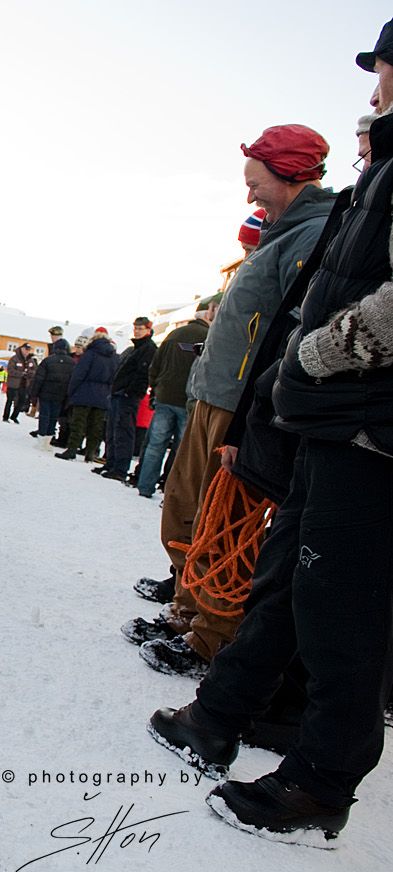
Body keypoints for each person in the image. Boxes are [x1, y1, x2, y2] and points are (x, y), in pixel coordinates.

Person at [147, 23, 393, 842]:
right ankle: (218, 714)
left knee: (342, 609)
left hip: (370, 423)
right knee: (289, 576)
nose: (370, 90)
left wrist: (314, 354)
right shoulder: (379, 170)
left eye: (381, 70)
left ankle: (321, 780)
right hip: (328, 417)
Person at [139, 124, 336, 677]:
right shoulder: (278, 232)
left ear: (291, 174)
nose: (249, 195)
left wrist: (257, 415)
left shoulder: (309, 235)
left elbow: (292, 331)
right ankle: (186, 611)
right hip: (213, 395)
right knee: (188, 507)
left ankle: (212, 637)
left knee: (226, 522)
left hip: (240, 405)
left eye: (256, 183)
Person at [135, 297, 216, 497]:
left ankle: (145, 486)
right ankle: (170, 490)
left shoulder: (174, 334)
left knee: (155, 444)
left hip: (165, 396)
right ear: (209, 314)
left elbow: (156, 364)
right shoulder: (210, 338)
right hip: (190, 401)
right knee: (182, 450)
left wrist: (156, 386)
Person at [95, 317, 157, 481]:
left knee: (123, 431)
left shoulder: (148, 349)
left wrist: (130, 392)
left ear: (148, 330)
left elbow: (143, 374)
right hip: (119, 393)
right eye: (135, 328)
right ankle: (111, 463)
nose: (137, 331)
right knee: (113, 430)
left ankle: (120, 468)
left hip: (128, 396)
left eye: (140, 328)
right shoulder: (135, 348)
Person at [55, 328, 116, 461]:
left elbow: (79, 374)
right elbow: (114, 377)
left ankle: (72, 450)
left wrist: (71, 392)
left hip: (84, 393)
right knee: (96, 426)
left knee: (78, 423)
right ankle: (90, 453)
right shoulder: (113, 356)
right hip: (103, 395)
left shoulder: (90, 353)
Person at [29, 337, 75, 440]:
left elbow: (38, 379)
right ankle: (49, 438)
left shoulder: (48, 361)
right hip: (61, 395)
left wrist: (34, 394)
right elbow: (73, 381)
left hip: (46, 393)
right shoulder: (72, 363)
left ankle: (41, 436)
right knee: (54, 417)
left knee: (44, 415)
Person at [3, 343, 38, 422]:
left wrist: (29, 373)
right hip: (13, 384)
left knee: (22, 401)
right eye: (26, 349)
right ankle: (5, 417)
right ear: (22, 349)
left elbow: (34, 370)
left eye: (28, 350)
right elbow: (10, 370)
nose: (27, 351)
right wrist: (21, 374)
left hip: (24, 385)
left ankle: (14, 416)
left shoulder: (30, 360)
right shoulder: (14, 359)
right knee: (9, 401)